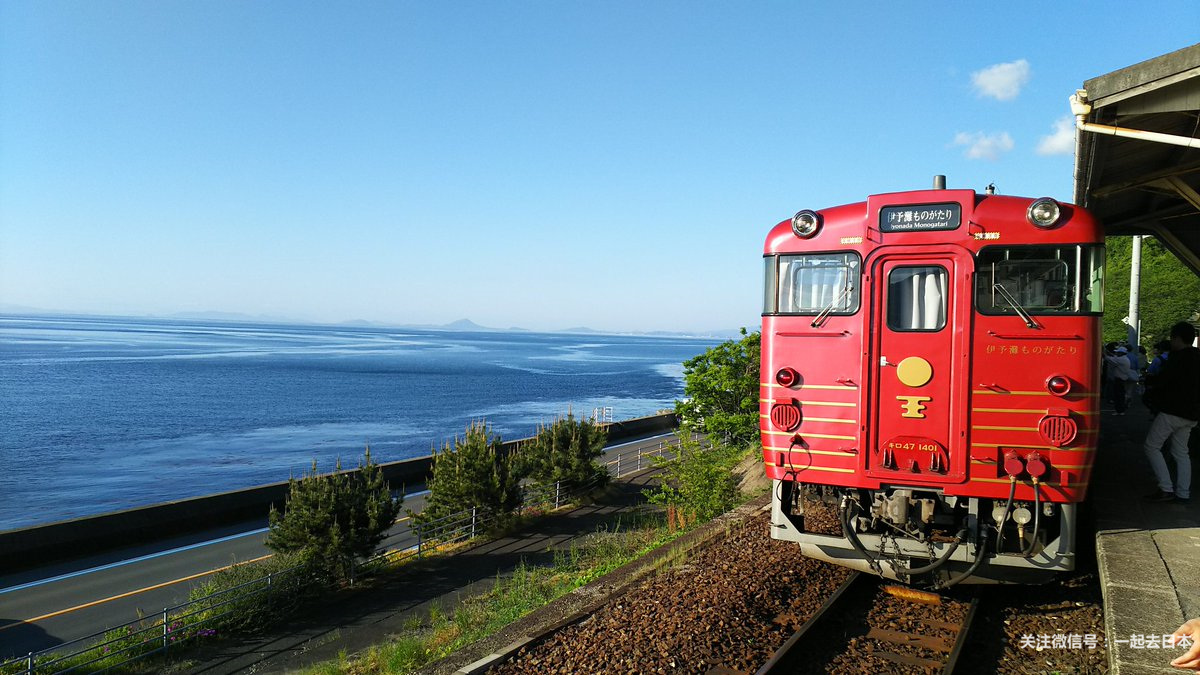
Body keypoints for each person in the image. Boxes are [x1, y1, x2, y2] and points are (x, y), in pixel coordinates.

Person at [1142, 321, 1199, 504]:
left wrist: (1149, 382)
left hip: (1172, 411)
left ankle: (1165, 488)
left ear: (1177, 338)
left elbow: (1164, 382)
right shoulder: (1198, 357)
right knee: (1182, 453)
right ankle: (1183, 493)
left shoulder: (1177, 358)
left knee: (1151, 446)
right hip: (1192, 414)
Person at [1103, 344, 1137, 415]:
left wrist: (1104, 352)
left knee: (1118, 396)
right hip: (1122, 379)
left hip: (1119, 380)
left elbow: (1109, 358)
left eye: (1118, 352)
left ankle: (1119, 410)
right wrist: (1107, 352)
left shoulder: (1121, 360)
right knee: (1120, 395)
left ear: (1121, 353)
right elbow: (1113, 357)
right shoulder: (1124, 359)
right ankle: (1120, 410)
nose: (1116, 353)